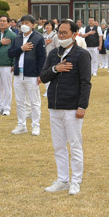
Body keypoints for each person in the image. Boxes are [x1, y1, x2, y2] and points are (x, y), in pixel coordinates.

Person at [39, 19, 91, 194]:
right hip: (55, 106)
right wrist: (56, 69)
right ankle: (62, 179)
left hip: (72, 107)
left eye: (64, 33)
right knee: (58, 146)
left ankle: (76, 181)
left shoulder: (82, 55)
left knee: (75, 145)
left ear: (74, 34)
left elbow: (85, 82)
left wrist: (82, 106)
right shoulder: (54, 53)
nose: (61, 36)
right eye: (59, 32)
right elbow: (43, 76)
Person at [10, 15, 46, 136]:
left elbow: (42, 58)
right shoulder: (17, 38)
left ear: (32, 25)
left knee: (34, 102)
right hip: (18, 74)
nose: (24, 25)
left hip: (32, 74)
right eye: (22, 23)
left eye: (27, 23)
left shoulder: (38, 38)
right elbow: (10, 53)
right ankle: (21, 125)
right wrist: (22, 48)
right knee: (19, 101)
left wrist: (39, 74)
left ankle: (36, 125)